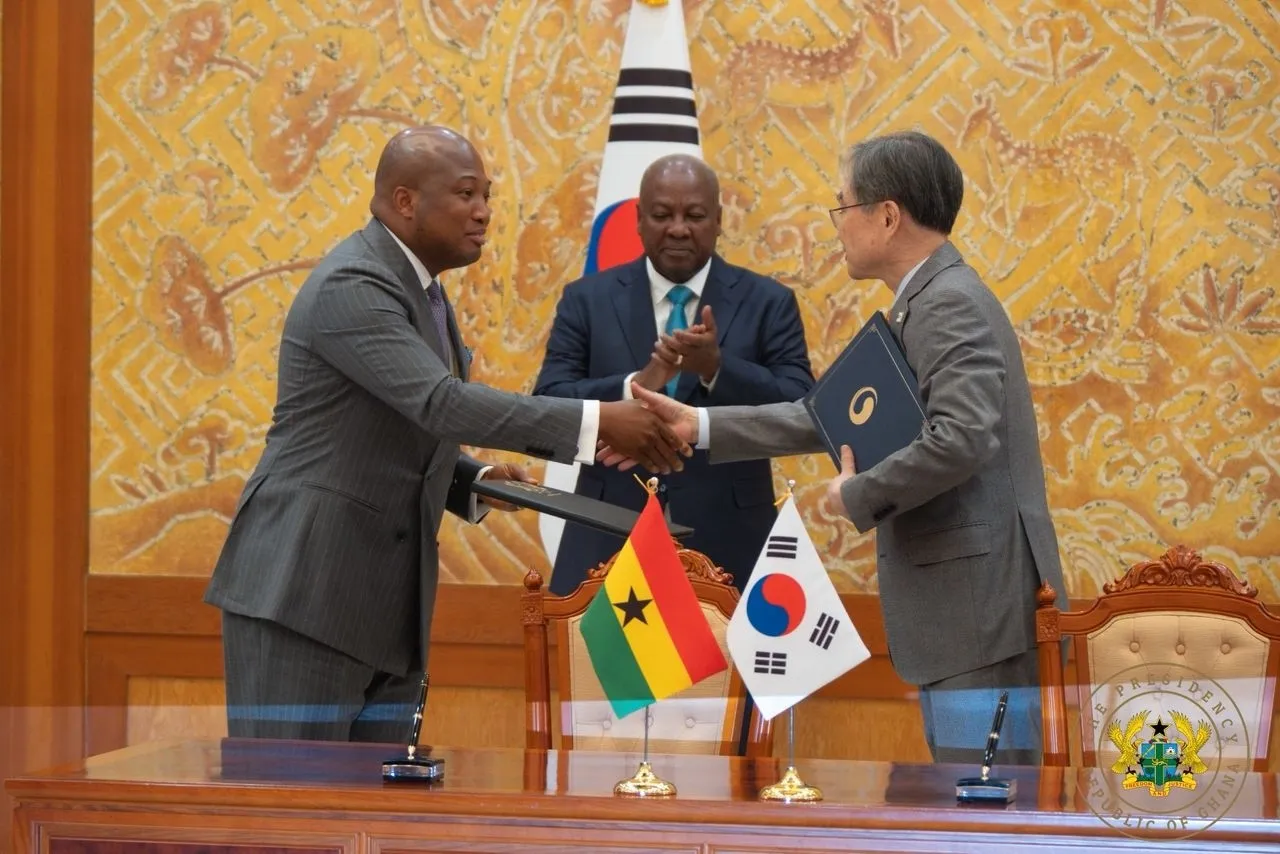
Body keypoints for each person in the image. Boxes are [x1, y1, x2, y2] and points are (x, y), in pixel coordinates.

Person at [205, 126, 691, 743]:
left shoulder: (423, 292)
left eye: (487, 194)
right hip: (304, 596)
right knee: (292, 798)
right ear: (405, 201)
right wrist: (598, 420)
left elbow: (394, 423)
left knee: (372, 802)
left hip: (385, 612)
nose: (484, 211)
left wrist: (472, 479)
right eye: (466, 194)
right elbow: (439, 403)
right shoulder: (354, 283)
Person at [602, 131, 1065, 766]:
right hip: (965, 613)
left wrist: (857, 494)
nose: (837, 224)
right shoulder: (924, 301)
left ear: (888, 216)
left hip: (979, 615)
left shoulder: (947, 304)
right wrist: (698, 426)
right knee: (968, 798)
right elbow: (826, 416)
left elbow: (960, 439)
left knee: (985, 800)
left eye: (843, 206)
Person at [533, 154, 815, 595]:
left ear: (718, 220)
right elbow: (548, 403)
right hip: (607, 531)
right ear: (638, 219)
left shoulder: (768, 301)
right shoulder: (586, 299)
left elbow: (801, 405)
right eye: (662, 215)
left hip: (731, 536)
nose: (678, 229)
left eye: (695, 215)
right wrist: (636, 384)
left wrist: (717, 369)